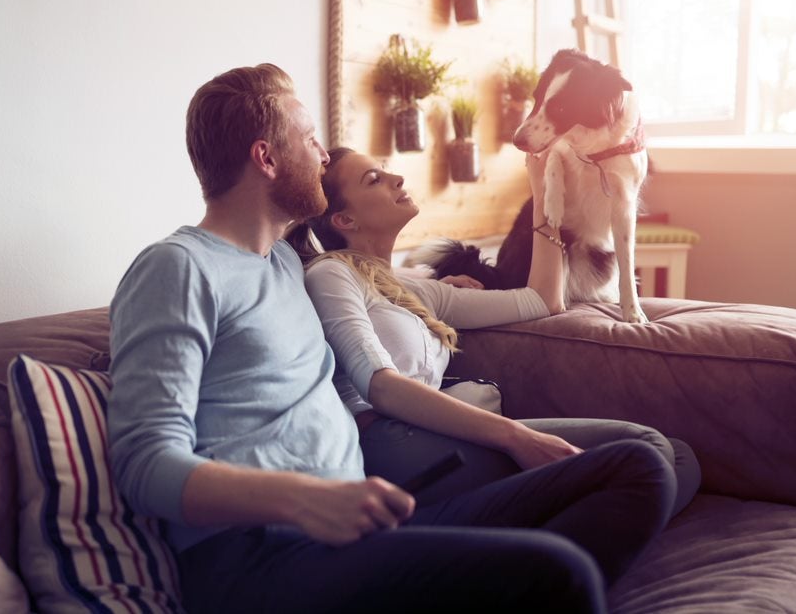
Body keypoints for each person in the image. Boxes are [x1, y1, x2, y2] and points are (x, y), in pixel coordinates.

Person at [107, 63, 676, 614]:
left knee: (638, 466)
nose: (323, 154)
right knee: (561, 571)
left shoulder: (285, 264)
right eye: (310, 141)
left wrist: (435, 281)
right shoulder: (177, 267)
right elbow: (143, 463)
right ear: (266, 158)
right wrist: (303, 498)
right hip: (262, 554)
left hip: (367, 527)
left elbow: (381, 285)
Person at [286, 147, 700, 516]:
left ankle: (531, 543)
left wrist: (545, 196)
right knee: (648, 453)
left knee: (679, 457)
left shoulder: (415, 288)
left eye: (386, 170)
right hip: (390, 442)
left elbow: (541, 300)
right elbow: (380, 386)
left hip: (440, 434)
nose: (396, 179)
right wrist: (517, 437)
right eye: (373, 180)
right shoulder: (332, 274)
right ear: (344, 219)